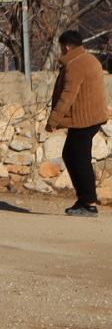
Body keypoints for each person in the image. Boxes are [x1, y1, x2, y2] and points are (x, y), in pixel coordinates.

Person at [47, 28, 108, 218]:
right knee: (73, 156)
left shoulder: (75, 65)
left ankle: (89, 202)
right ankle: (84, 199)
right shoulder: (89, 60)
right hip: (91, 118)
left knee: (78, 159)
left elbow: (68, 95)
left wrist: (53, 120)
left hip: (83, 120)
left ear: (66, 47)